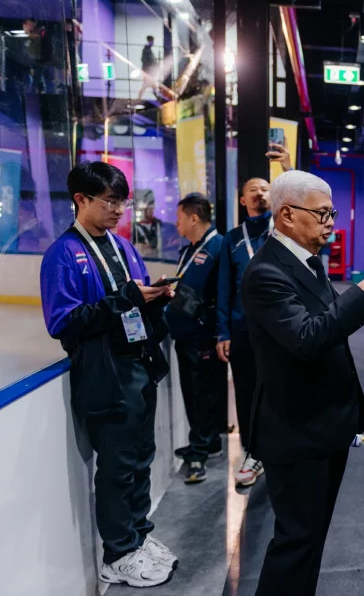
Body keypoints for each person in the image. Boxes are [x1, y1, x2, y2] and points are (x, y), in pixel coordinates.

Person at [241, 170, 364, 596]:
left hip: (323, 424)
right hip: (296, 428)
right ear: (287, 215)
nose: (330, 223)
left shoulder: (305, 258)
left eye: (332, 214)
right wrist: (363, 291)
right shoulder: (266, 272)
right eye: (322, 214)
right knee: (297, 541)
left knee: (310, 539)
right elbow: (307, 338)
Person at [39, 162, 178, 588]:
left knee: (141, 458)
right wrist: (124, 299)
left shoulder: (122, 247)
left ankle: (138, 537)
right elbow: (63, 322)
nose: (119, 210)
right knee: (118, 466)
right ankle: (117, 554)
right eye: (110, 201)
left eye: (123, 202)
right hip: (105, 372)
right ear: (81, 199)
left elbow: (132, 299)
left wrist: (155, 297)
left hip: (138, 364)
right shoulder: (63, 254)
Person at [216, 177, 271, 487]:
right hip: (242, 328)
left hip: (280, 327)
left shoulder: (282, 230)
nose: (260, 194)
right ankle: (253, 452)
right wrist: (223, 332)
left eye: (265, 189)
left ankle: (281, 448)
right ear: (242, 200)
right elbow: (223, 287)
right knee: (246, 391)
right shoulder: (233, 238)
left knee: (280, 388)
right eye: (253, 190)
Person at [168, 193, 225, 483]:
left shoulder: (219, 246)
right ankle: (208, 442)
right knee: (193, 392)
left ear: (193, 218)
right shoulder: (189, 250)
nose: (175, 223)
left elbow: (225, 295)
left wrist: (221, 332)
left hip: (203, 335)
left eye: (179, 217)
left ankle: (198, 454)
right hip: (186, 332)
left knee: (202, 394)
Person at [133, 189, 164, 259]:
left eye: (151, 207)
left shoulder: (160, 225)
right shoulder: (132, 228)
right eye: (147, 208)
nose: (150, 210)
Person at [138, 35, 159, 99]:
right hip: (148, 71)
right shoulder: (146, 50)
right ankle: (140, 96)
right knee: (148, 84)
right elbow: (145, 60)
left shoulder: (148, 50)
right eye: (152, 41)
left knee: (151, 85)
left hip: (148, 71)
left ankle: (157, 97)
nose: (153, 43)